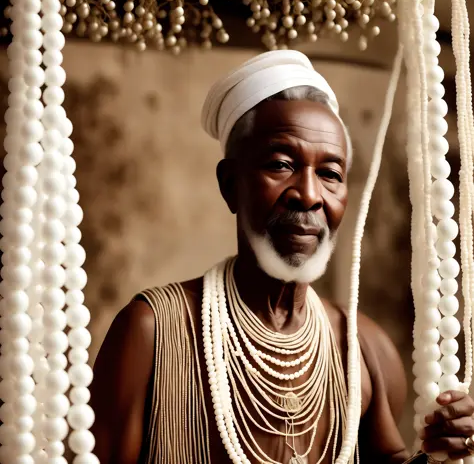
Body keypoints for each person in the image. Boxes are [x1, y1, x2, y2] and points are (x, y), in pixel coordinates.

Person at [89, 50, 474, 464]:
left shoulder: (363, 349)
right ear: (230, 184)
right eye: (281, 164)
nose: (308, 195)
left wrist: (439, 453)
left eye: (330, 174)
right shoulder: (152, 333)